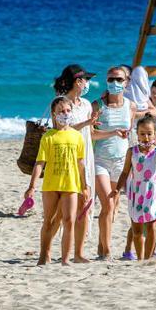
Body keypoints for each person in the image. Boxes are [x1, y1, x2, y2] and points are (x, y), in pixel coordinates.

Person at [24, 97, 89, 266]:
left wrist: (85, 185)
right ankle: (44, 255)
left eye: (68, 111)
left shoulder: (76, 136)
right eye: (61, 111)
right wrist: (32, 186)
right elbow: (40, 163)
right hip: (51, 185)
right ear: (54, 114)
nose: (65, 114)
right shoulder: (48, 136)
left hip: (71, 185)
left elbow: (81, 163)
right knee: (49, 221)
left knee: (69, 220)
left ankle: (66, 258)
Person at [49, 64, 99, 263]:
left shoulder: (86, 104)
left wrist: (115, 133)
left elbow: (91, 134)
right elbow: (59, 128)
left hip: (86, 157)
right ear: (78, 81)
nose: (87, 83)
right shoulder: (60, 103)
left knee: (84, 207)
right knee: (62, 212)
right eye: (85, 79)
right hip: (67, 160)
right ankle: (48, 249)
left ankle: (78, 253)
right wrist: (86, 124)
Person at [113, 115, 156, 261]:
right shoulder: (131, 152)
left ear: (154, 134)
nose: (146, 137)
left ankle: (147, 258)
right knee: (137, 230)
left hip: (152, 192)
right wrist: (117, 189)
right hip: (137, 192)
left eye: (149, 133)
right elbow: (125, 172)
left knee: (152, 227)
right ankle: (140, 259)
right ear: (137, 134)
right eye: (142, 134)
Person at [91, 66, 136, 260]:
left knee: (113, 207)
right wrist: (113, 132)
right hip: (100, 161)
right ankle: (107, 249)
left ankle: (102, 247)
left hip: (121, 162)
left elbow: (130, 132)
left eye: (119, 80)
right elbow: (91, 133)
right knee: (108, 205)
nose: (114, 83)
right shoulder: (97, 106)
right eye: (110, 79)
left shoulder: (131, 106)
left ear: (126, 83)